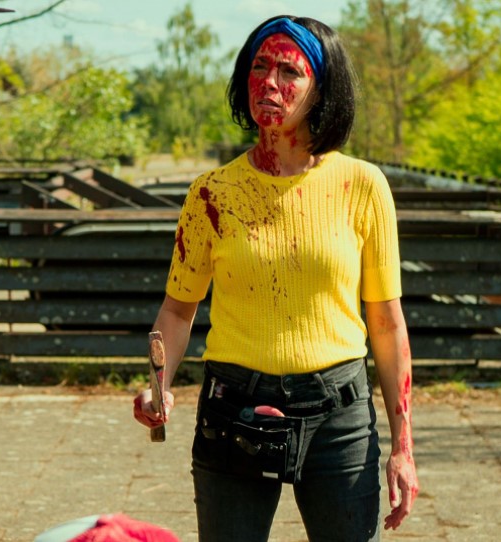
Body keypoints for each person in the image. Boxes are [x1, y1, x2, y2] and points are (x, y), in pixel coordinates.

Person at [134, 14, 418, 542]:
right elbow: (177, 309)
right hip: (231, 411)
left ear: (321, 90)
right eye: (260, 66)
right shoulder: (210, 194)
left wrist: (403, 446)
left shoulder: (363, 186)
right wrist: (159, 385)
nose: (270, 81)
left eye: (290, 71)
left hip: (338, 416)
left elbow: (386, 322)